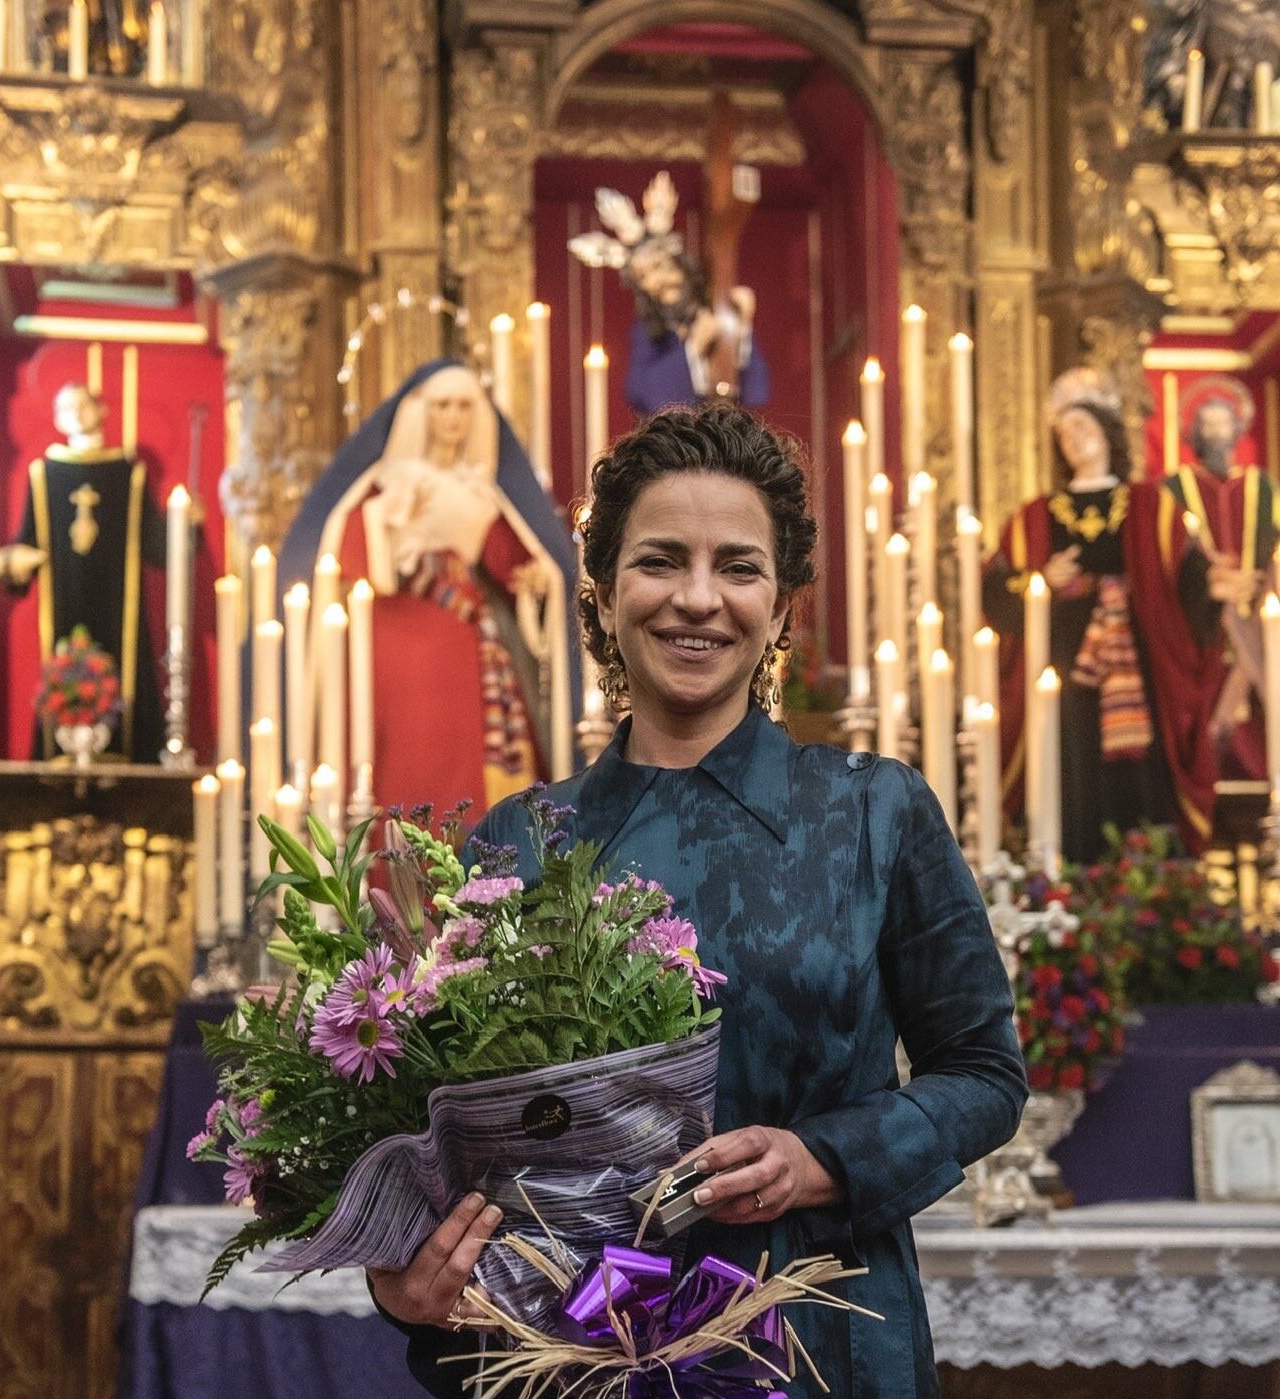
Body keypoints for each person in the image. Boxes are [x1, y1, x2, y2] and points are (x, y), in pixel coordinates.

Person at [368, 403, 1027, 1398]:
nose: (698, 598)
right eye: (661, 560)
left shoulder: (873, 811)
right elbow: (445, 1133)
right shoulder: (522, 839)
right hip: (576, 1350)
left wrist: (818, 1157)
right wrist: (404, 1279)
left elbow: (983, 1073)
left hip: (818, 1341)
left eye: (739, 567)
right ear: (603, 594)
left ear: (782, 606)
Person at [279, 361, 577, 815]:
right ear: (422, 412)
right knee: (409, 746)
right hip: (401, 629)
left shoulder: (480, 489)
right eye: (442, 406)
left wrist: (535, 578)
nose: (453, 418)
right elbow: (348, 547)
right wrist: (385, 523)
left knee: (468, 740)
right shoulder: (392, 479)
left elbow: (509, 556)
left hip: (469, 629)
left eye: (463, 407)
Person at [982, 369, 1229, 860]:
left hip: (1139, 663)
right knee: (1069, 764)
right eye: (1063, 431)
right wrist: (1040, 581)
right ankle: (1068, 872)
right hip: (1062, 669)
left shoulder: (1151, 506)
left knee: (1139, 770)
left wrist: (1216, 588)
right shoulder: (1035, 516)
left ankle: (1144, 878)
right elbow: (993, 592)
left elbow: (1190, 582)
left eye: (1082, 425)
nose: (1073, 437)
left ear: (1106, 430)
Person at [0, 382, 167, 762]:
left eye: (82, 404)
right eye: (65, 408)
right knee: (61, 657)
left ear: (101, 410)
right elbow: (26, 541)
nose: (76, 414)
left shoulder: (128, 473)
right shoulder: (45, 474)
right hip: (65, 604)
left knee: (129, 672)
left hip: (119, 604)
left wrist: (185, 529)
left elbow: (157, 543)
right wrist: (12, 562)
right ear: (56, 419)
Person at [568, 172, 770, 414]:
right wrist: (693, 348)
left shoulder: (719, 310)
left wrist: (742, 327)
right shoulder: (647, 333)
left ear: (682, 268)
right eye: (644, 277)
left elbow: (756, 392)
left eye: (661, 267)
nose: (658, 281)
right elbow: (642, 394)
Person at [1163, 378, 1272, 779]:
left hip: (1259, 610)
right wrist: (1211, 580)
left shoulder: (1261, 486)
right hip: (1201, 620)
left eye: (1222, 423)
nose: (1215, 432)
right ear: (1194, 431)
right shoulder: (1174, 488)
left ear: (1237, 428)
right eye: (1206, 424)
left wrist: (1260, 582)